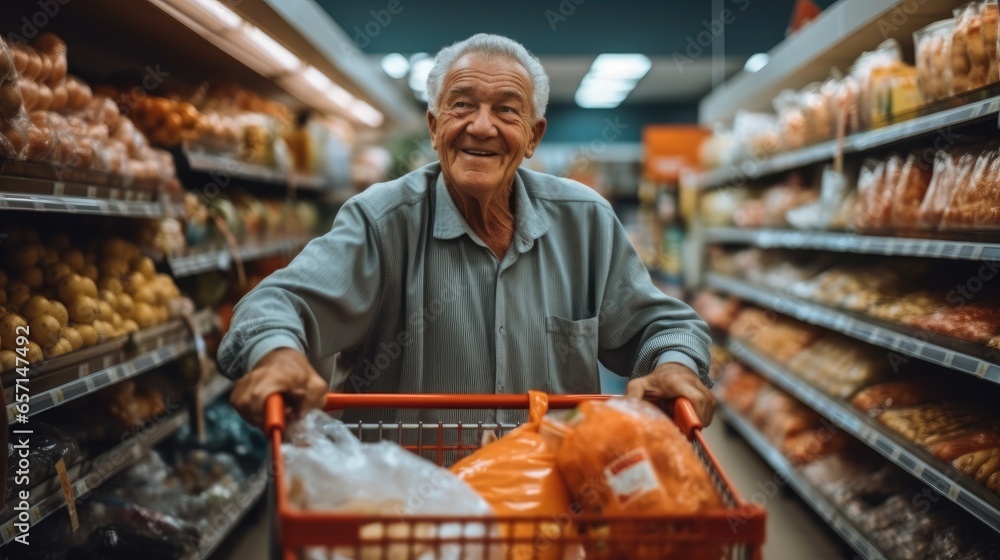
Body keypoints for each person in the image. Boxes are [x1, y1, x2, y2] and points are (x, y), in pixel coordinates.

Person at [218, 33, 715, 429]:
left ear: (534, 136)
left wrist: (673, 365)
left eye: (506, 109)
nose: (481, 126)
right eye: (462, 105)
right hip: (407, 521)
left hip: (542, 513)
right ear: (435, 127)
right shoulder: (382, 221)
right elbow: (275, 302)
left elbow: (664, 326)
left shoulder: (586, 221)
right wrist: (276, 356)